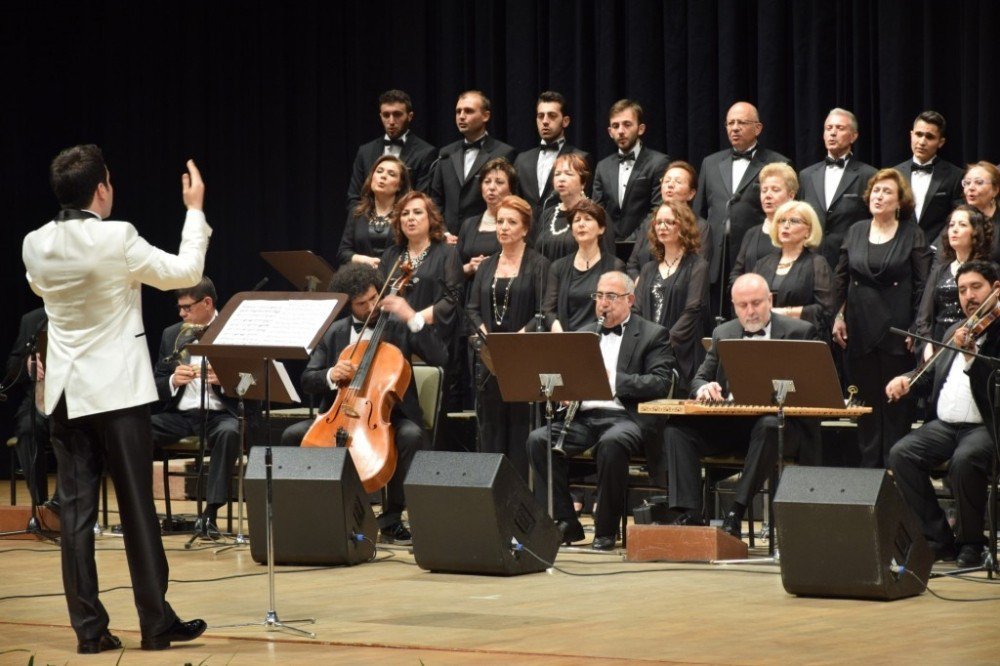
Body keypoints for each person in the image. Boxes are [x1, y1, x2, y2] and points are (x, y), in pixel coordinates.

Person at [21, 144, 207, 652]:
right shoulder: (117, 236)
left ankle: (89, 631)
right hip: (118, 395)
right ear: (101, 188)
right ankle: (155, 622)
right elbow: (186, 273)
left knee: (77, 517)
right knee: (136, 509)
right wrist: (194, 210)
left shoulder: (34, 243)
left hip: (64, 394)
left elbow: (42, 292)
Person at [282, 264, 448, 544]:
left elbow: (440, 356)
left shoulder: (398, 325)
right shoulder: (334, 332)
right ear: (349, 304)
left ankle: (392, 518)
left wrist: (411, 316)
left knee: (410, 435)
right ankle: (300, 514)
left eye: (375, 298)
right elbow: (308, 379)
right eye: (362, 304)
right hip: (339, 414)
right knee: (291, 436)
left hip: (388, 415)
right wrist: (331, 374)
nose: (372, 307)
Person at [663, 274, 820, 538]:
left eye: (756, 303)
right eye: (742, 305)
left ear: (769, 300)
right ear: (734, 306)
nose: (750, 311)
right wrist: (704, 387)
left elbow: (812, 387)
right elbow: (700, 377)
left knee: (769, 426)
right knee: (676, 428)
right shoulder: (723, 333)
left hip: (781, 428)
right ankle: (690, 513)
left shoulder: (800, 331)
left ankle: (736, 511)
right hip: (733, 426)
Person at [527, 271, 674, 550]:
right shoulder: (584, 335)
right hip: (584, 417)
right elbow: (566, 377)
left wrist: (614, 379)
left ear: (630, 299)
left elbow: (660, 383)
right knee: (538, 439)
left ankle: (606, 530)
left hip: (626, 418)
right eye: (599, 296)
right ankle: (566, 522)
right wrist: (565, 394)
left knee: (611, 443)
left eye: (611, 296)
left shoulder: (654, 335)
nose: (603, 303)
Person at [886, 260, 1000, 567]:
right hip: (946, 426)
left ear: (996, 289)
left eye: (976, 287)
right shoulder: (955, 330)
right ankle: (938, 538)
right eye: (962, 290)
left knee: (965, 461)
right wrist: (906, 379)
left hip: (988, 427)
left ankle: (972, 543)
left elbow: (994, 383)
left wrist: (972, 357)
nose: (968, 296)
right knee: (902, 454)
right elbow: (930, 372)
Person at [832, 168, 932, 468]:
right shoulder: (856, 230)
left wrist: (917, 327)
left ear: (900, 201)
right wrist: (838, 315)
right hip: (859, 329)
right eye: (876, 190)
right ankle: (869, 476)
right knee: (867, 408)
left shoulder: (912, 233)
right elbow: (841, 278)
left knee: (896, 408)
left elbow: (923, 285)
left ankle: (894, 474)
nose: (879, 196)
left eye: (887, 192)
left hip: (898, 330)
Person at [468, 195, 550, 480]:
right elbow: (472, 309)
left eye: (511, 222)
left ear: (525, 228)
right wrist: (485, 337)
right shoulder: (488, 265)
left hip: (523, 358)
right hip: (489, 359)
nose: (503, 227)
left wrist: (515, 341)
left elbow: (543, 312)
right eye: (500, 221)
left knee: (519, 431)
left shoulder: (539, 264)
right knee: (490, 431)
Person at [151, 277, 241, 533]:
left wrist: (225, 381)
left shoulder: (235, 330)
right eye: (180, 307)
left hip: (220, 414)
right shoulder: (172, 334)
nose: (182, 313)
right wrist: (172, 380)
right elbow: (156, 382)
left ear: (207, 303)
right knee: (135, 430)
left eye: (187, 307)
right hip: (181, 415)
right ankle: (143, 510)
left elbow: (254, 380)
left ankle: (210, 513)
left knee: (229, 432)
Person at [693, 102, 792, 311]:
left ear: (758, 128)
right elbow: (699, 212)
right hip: (715, 257)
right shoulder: (710, 163)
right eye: (730, 123)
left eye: (741, 122)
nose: (735, 128)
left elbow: (787, 213)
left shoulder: (777, 163)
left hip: (755, 255)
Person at [634, 201, 712, 391]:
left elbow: (692, 310)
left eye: (669, 222)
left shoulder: (697, 265)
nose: (662, 227)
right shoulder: (648, 269)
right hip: (649, 351)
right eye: (658, 222)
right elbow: (636, 309)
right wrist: (644, 344)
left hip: (682, 350)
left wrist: (664, 344)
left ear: (683, 226)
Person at [379, 192, 463, 346]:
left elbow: (452, 299)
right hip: (393, 339)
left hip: (432, 340)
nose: (410, 218)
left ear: (430, 219)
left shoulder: (447, 253)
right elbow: (380, 295)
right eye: (405, 213)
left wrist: (413, 318)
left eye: (417, 212)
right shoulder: (391, 254)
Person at [797, 108, 878, 268]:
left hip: (851, 260)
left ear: (854, 136)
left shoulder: (869, 175)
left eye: (840, 128)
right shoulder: (806, 175)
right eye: (829, 128)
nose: (833, 133)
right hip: (811, 261)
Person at [430, 90, 517, 236]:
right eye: (458, 112)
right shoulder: (446, 153)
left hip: (486, 236)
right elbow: (436, 199)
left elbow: (510, 199)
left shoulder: (504, 153)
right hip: (448, 239)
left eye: (468, 111)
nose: (461, 116)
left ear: (486, 116)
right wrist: (443, 232)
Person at [592, 99, 670, 241]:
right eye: (615, 126)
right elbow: (598, 211)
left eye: (627, 124)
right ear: (610, 132)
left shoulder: (659, 162)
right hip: (609, 247)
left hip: (646, 246)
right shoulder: (602, 167)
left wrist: (633, 241)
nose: (621, 131)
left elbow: (657, 210)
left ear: (641, 129)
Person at [346, 89, 436, 212]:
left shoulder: (426, 153)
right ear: (380, 116)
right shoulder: (365, 151)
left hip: (404, 226)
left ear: (409, 116)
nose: (391, 121)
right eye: (386, 115)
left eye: (397, 114)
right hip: (367, 223)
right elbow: (354, 198)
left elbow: (421, 200)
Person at [542, 199, 625, 333]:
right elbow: (548, 310)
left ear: (601, 229)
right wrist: (560, 333)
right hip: (566, 340)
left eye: (588, 219)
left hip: (601, 338)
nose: (581, 224)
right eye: (577, 220)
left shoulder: (615, 266)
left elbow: (618, 308)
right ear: (572, 231)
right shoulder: (558, 267)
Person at [914, 205, 992, 345]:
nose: (954, 229)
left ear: (976, 232)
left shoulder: (989, 270)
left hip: (971, 341)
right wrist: (927, 346)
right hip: (937, 345)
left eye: (962, 225)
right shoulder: (940, 270)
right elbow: (924, 317)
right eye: (951, 225)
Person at [753, 200, 835, 333]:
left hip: (801, 337)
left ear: (808, 231)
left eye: (794, 221)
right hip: (765, 336)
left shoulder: (817, 264)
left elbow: (825, 311)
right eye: (781, 220)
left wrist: (783, 313)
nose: (786, 225)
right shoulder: (762, 264)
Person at [625, 160, 713, 278]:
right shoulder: (650, 222)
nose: (670, 185)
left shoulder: (700, 226)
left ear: (691, 194)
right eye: (666, 181)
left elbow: (698, 269)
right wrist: (640, 284)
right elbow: (632, 264)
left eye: (677, 181)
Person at [5, 307, 55, 511]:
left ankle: (64, 504)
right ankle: (41, 505)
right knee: (26, 431)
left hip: (75, 401)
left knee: (76, 435)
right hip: (40, 398)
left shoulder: (83, 314)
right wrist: (27, 364)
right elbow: (12, 366)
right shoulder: (32, 320)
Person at [893, 111, 965, 249]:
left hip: (938, 252)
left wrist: (937, 247)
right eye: (918, 134)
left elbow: (957, 217)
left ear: (941, 142)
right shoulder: (894, 174)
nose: (922, 142)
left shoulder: (956, 175)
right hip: (898, 250)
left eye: (930, 137)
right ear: (911, 135)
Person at [513, 91, 590, 220]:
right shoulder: (522, 160)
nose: (545, 121)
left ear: (565, 121)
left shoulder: (581, 157)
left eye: (552, 116)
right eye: (540, 116)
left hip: (562, 233)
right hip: (528, 236)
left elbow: (585, 204)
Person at [337, 154, 412, 268]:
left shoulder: (406, 214)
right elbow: (343, 253)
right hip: (360, 279)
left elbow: (414, 252)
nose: (383, 176)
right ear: (372, 177)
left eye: (391, 174)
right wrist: (364, 260)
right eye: (379, 171)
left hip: (394, 280)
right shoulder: (357, 212)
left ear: (399, 186)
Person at [534, 153, 611, 261]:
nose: (561, 179)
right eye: (557, 174)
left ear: (583, 183)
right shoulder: (547, 214)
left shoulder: (596, 214)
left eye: (568, 174)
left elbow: (607, 259)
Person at [729, 162, 798, 285]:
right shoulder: (752, 233)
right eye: (764, 190)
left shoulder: (799, 232)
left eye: (775, 190)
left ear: (791, 196)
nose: (768, 196)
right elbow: (736, 273)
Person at [456, 158, 514, 282]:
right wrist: (469, 267)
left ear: (511, 189)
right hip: (470, 294)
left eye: (499, 182)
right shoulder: (468, 224)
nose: (492, 187)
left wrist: (491, 266)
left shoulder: (517, 223)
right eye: (487, 182)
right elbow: (453, 271)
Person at [960, 161, 1000, 260]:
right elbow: (941, 259)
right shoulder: (958, 217)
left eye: (979, 183)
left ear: (995, 190)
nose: (971, 188)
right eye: (967, 183)